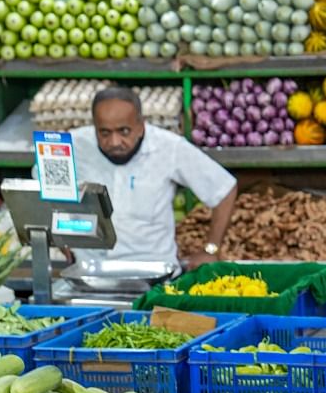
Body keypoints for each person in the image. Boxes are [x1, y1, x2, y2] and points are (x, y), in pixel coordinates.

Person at [57, 86, 238, 268]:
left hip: (153, 274)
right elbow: (45, 191)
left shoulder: (170, 147)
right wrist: (58, 235)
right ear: (94, 126)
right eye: (104, 133)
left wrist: (211, 249)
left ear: (141, 126)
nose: (114, 142)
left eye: (124, 131)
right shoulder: (71, 146)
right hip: (89, 271)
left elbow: (224, 189)